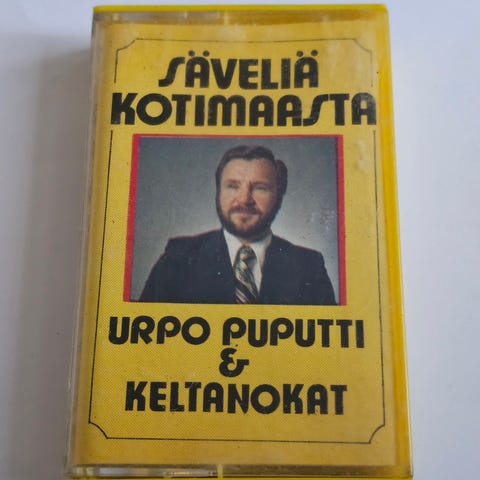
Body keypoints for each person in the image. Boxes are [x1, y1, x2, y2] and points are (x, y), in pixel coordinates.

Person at [139, 145, 336, 305]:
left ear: (279, 194)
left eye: (260, 188)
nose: (244, 199)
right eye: (233, 186)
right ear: (218, 192)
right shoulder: (178, 259)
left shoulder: (309, 268)